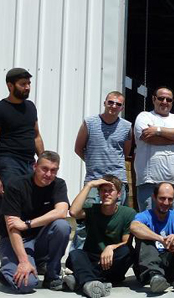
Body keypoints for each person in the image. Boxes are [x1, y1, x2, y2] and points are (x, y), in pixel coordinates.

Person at [0, 151, 70, 293]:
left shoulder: (58, 184)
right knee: (27, 284)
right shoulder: (16, 185)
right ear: (35, 166)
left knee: (62, 226)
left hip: (39, 240)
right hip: (15, 241)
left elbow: (61, 212)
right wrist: (23, 261)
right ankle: (7, 272)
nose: (49, 174)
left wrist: (27, 224)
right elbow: (12, 228)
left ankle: (52, 276)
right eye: (45, 169)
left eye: (53, 170)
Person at [70, 91, 132, 251]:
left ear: (122, 107)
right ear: (105, 102)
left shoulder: (126, 126)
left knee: (113, 223)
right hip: (94, 179)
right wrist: (92, 163)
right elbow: (78, 148)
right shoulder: (89, 122)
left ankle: (111, 257)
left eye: (118, 104)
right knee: (84, 223)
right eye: (111, 102)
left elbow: (125, 153)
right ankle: (75, 260)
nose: (114, 106)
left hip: (118, 181)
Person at [65, 175, 136, 297]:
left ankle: (82, 279)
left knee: (127, 251)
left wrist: (111, 247)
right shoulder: (92, 209)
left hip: (112, 262)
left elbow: (127, 242)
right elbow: (73, 212)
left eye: (110, 190)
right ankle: (93, 282)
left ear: (118, 194)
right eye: (103, 190)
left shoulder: (128, 213)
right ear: (99, 193)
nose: (107, 194)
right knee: (75, 254)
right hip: (91, 258)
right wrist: (89, 185)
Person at [0, 68, 44, 217]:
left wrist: (43, 161)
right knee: (8, 200)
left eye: (29, 83)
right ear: (10, 86)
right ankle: (5, 238)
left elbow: (36, 136)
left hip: (29, 162)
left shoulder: (31, 107)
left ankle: (25, 238)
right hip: (9, 162)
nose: (27, 87)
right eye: (23, 84)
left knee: (30, 200)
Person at [130, 182, 174, 293]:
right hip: (150, 264)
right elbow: (134, 227)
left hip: (172, 264)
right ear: (154, 197)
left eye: (170, 199)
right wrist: (160, 239)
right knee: (143, 234)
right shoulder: (145, 215)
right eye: (162, 198)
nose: (166, 203)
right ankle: (154, 277)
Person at [133, 87, 174, 210]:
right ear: (153, 99)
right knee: (148, 224)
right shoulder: (144, 116)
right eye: (161, 98)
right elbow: (148, 138)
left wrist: (157, 130)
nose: (164, 102)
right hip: (148, 182)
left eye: (168, 99)